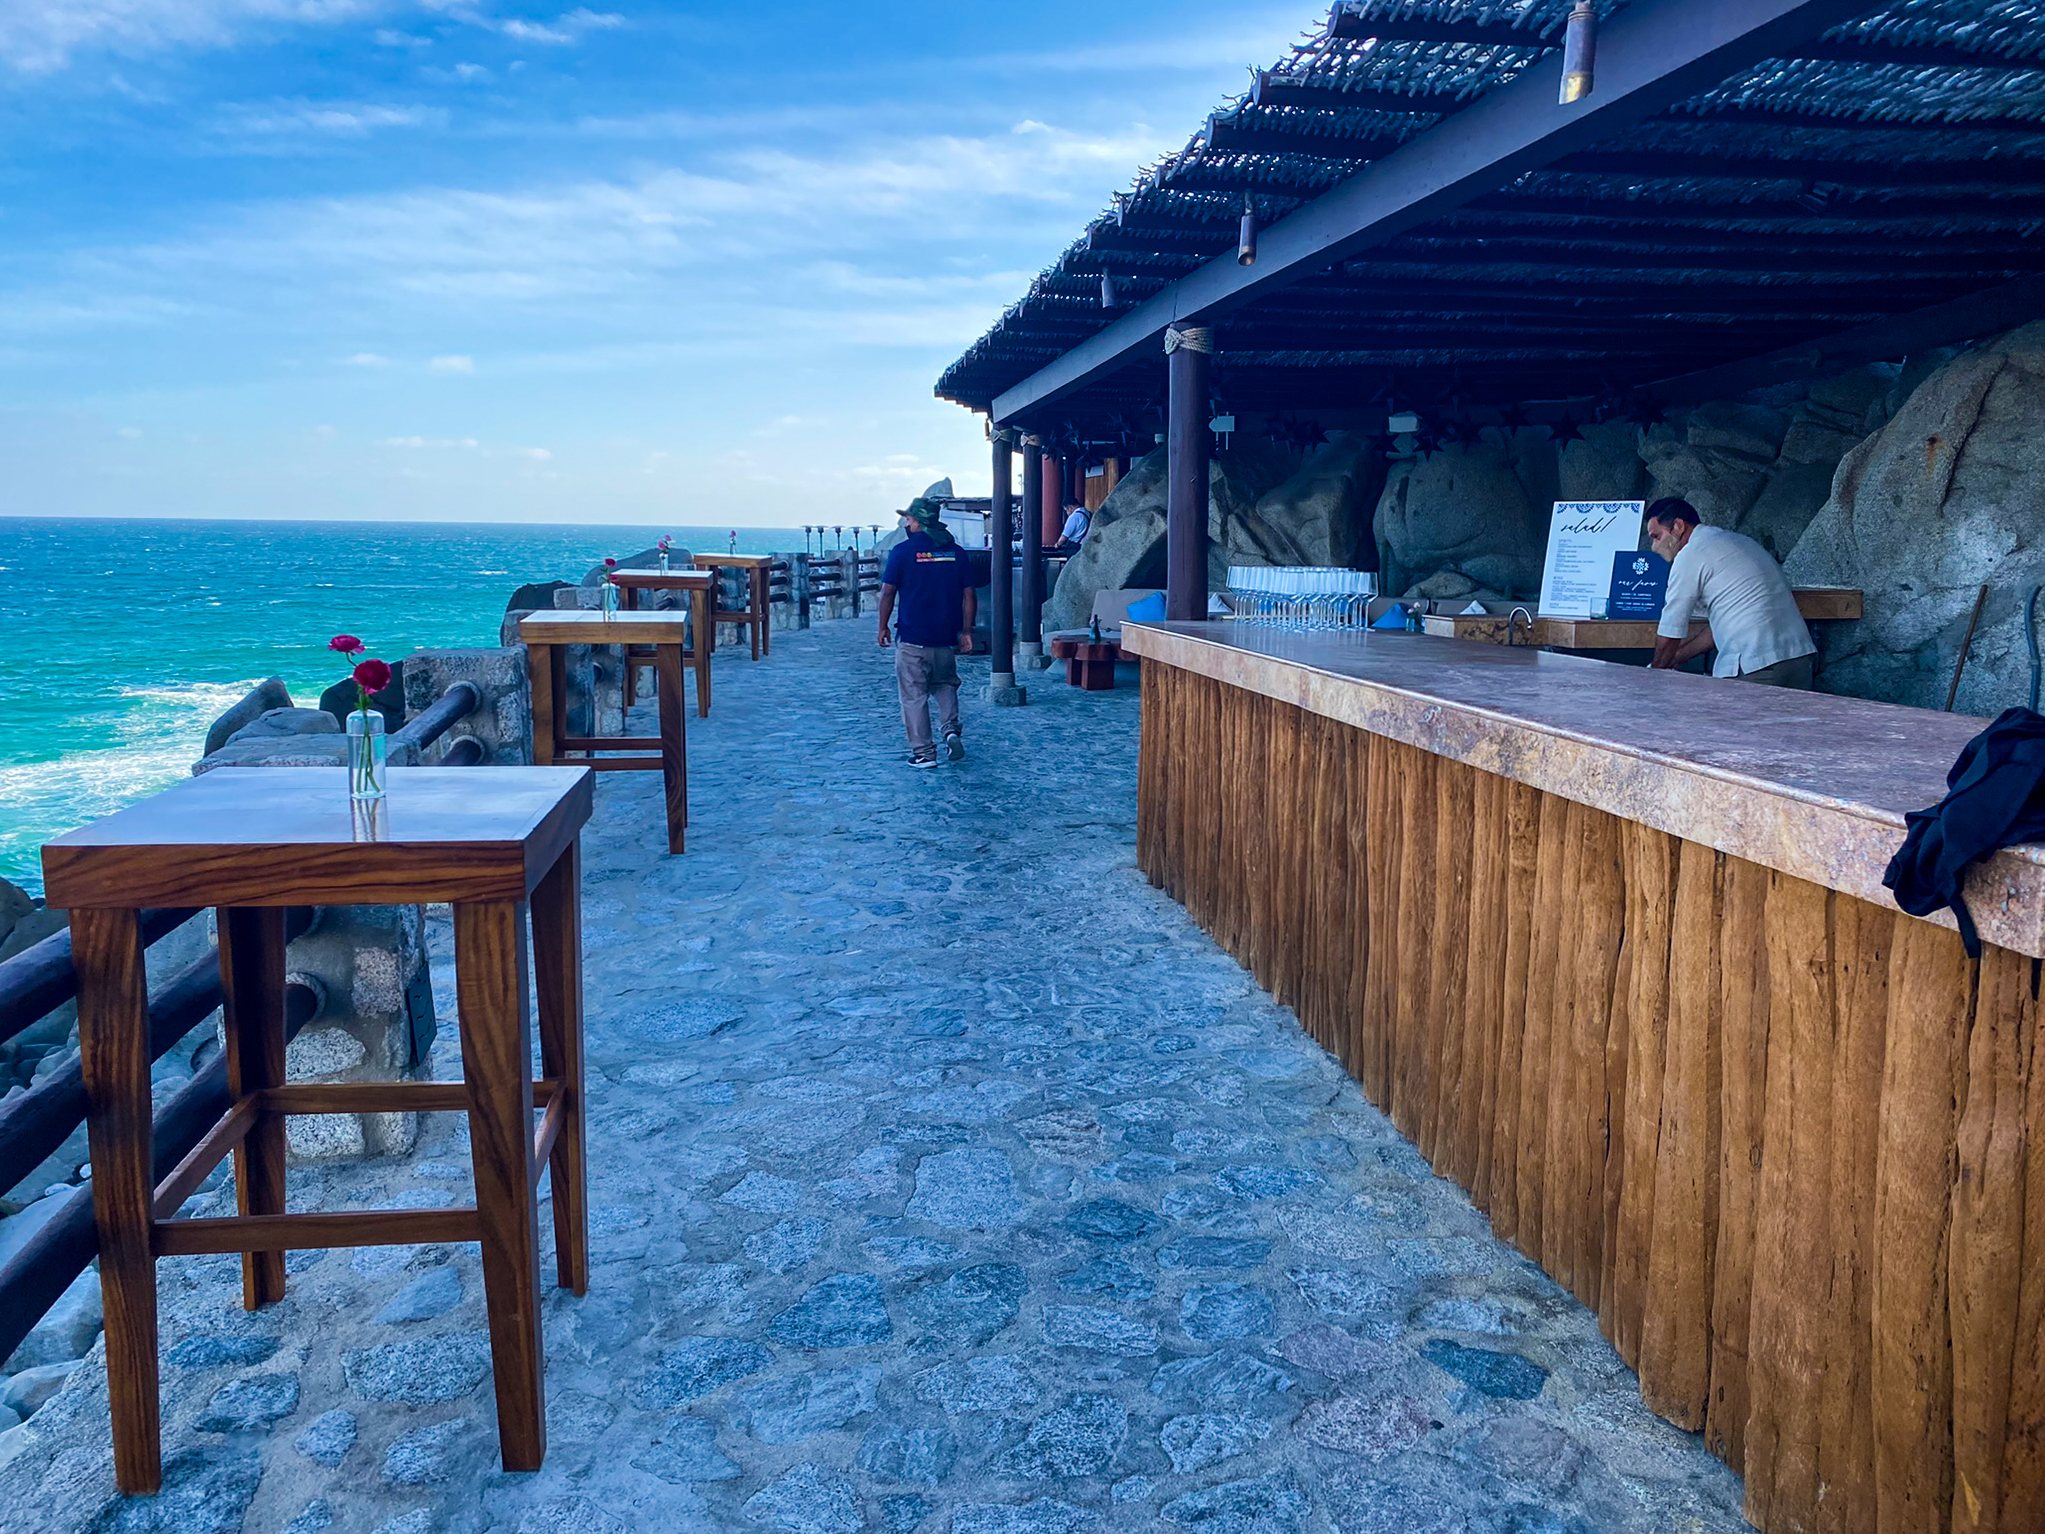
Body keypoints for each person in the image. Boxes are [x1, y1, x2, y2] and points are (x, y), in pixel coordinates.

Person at [1647, 497, 1816, 687]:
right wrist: (1677, 657)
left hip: (1755, 664)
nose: (1654, 547)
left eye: (1656, 536)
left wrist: (1655, 675)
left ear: (1678, 526)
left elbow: (1671, 628)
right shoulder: (1740, 541)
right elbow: (1723, 623)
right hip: (1798, 658)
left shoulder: (1690, 554)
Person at [878, 498, 978, 767]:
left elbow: (888, 592)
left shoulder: (901, 552)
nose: (906, 524)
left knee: (914, 696)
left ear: (918, 522)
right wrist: (966, 631)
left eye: (909, 520)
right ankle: (951, 730)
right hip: (946, 638)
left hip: (913, 638)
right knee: (945, 685)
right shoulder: (955, 552)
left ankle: (924, 753)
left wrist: (882, 626)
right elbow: (969, 595)